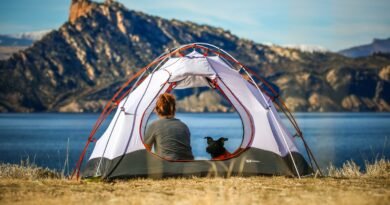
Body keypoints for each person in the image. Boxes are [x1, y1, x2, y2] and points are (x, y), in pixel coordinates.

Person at [144, 93, 194, 160]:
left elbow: (146, 151)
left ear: (157, 109)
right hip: (189, 165)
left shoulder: (154, 125)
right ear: (174, 109)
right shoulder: (184, 126)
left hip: (168, 167)